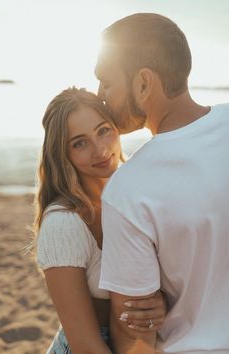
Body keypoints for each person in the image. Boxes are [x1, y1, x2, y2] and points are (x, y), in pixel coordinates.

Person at [95, 13, 229, 354]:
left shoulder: (128, 188)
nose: (100, 96)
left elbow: (134, 335)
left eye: (106, 82)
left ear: (143, 83)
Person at [33, 87, 167, 354]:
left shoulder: (136, 198)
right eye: (79, 143)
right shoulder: (64, 223)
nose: (100, 150)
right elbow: (85, 345)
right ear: (63, 154)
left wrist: (159, 306)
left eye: (103, 130)